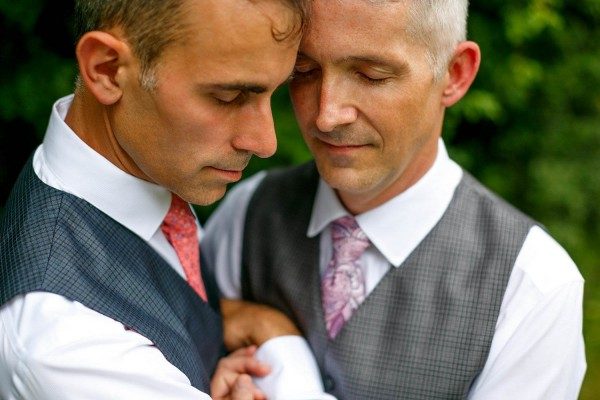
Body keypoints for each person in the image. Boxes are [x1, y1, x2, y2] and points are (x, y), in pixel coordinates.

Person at [203, 0, 587, 399]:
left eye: (371, 75)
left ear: (454, 74)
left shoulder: (533, 286)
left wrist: (284, 361)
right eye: (304, 71)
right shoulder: (248, 213)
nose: (326, 115)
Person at [0, 0, 312, 399]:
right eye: (229, 96)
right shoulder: (65, 343)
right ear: (106, 69)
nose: (264, 142)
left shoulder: (150, 163)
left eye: (274, 92)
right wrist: (281, 342)